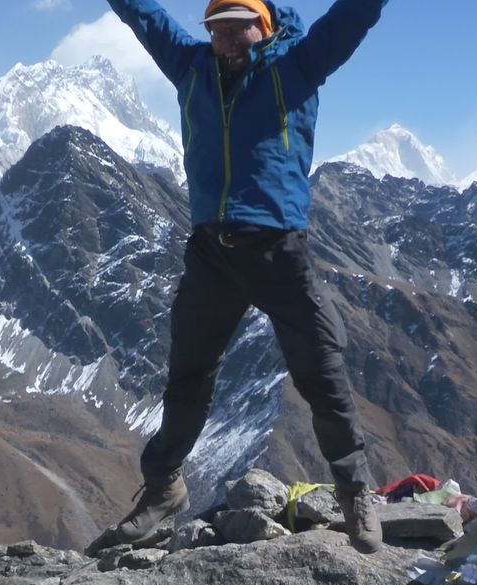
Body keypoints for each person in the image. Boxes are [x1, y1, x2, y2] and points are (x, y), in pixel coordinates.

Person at [104, 0, 387, 553]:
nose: (230, 40)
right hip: (212, 252)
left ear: (266, 25)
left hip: (278, 250)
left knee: (321, 370)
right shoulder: (191, 68)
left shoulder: (297, 67)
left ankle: (354, 491)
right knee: (188, 376)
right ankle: (164, 487)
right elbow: (144, 16)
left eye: (241, 28)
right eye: (220, 31)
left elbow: (352, 17)